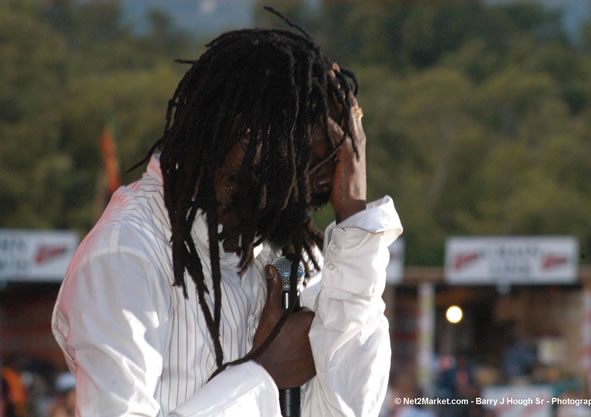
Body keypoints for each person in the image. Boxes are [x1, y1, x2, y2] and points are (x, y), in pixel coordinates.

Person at [51, 8, 402, 417]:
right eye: (315, 162)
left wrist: (354, 219)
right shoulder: (126, 253)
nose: (335, 180)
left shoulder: (287, 257)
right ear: (245, 137)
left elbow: (347, 409)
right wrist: (263, 375)